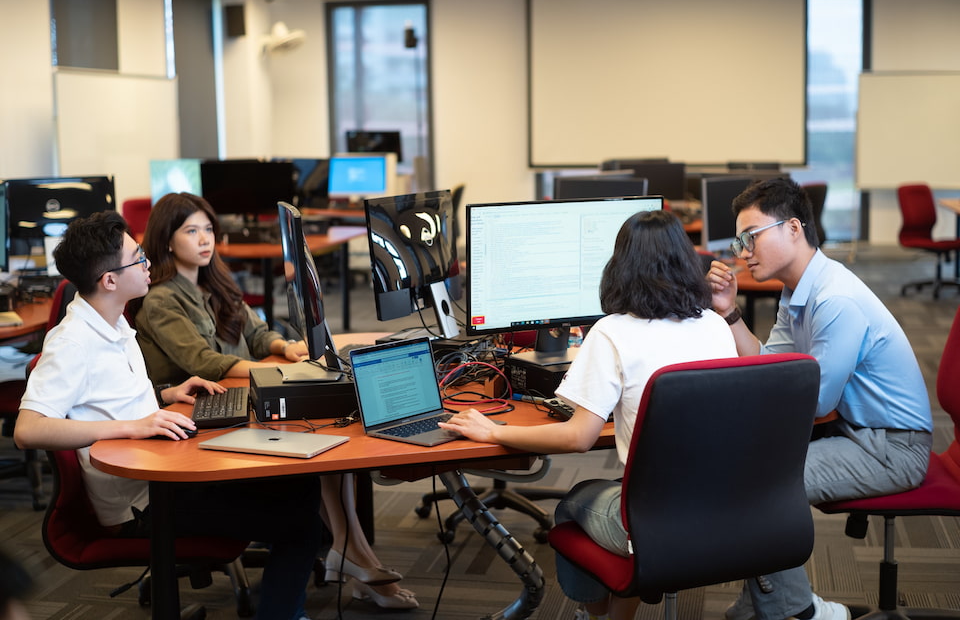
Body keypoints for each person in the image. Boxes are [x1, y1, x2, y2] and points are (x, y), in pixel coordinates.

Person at [14, 211, 325, 620]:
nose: (147, 263)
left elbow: (105, 398)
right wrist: (136, 425)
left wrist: (165, 395)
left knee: (299, 484)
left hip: (159, 471)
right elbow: (27, 429)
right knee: (303, 527)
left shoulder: (113, 321)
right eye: (137, 257)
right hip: (140, 504)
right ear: (109, 280)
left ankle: (281, 605)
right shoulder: (72, 343)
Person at [439, 210, 738, 620]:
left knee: (572, 506)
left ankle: (599, 614)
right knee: (617, 488)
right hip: (727, 505)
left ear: (621, 267)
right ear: (688, 262)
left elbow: (578, 437)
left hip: (656, 516)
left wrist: (494, 432)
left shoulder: (613, 332)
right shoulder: (715, 325)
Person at [132, 192, 417, 610]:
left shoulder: (216, 282)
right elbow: (204, 362)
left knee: (329, 440)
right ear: (167, 240)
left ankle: (353, 554)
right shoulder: (161, 300)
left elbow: (257, 332)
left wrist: (286, 349)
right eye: (191, 231)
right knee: (316, 447)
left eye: (208, 228)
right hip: (199, 425)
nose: (204, 239)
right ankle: (353, 558)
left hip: (239, 401)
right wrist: (274, 376)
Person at [706, 177, 933, 620]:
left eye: (751, 238)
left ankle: (800, 612)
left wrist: (742, 413)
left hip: (893, 447)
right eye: (739, 241)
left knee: (761, 485)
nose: (742, 253)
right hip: (856, 429)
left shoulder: (835, 299)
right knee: (741, 462)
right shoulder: (799, 292)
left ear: (793, 229)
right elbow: (770, 363)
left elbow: (814, 404)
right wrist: (730, 312)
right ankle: (759, 607)